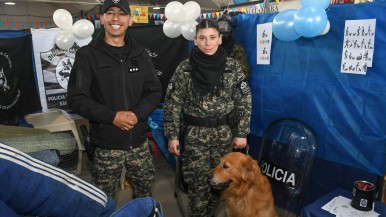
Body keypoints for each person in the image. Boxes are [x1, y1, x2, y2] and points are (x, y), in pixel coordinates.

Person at [67, 0, 162, 199]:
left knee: (144, 197)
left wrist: (137, 114)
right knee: (102, 201)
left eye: (121, 13)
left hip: (139, 144)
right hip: (106, 146)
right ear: (101, 19)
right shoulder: (87, 55)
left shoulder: (140, 54)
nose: (115, 18)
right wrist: (112, 117)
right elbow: (76, 98)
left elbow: (154, 91)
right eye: (110, 13)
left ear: (129, 19)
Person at [163, 19, 252, 217]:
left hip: (224, 135)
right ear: (195, 40)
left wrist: (241, 133)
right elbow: (173, 103)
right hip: (196, 136)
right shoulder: (184, 69)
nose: (208, 43)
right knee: (197, 186)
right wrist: (172, 135)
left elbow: (244, 100)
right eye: (202, 38)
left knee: (220, 185)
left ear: (220, 39)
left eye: (212, 38)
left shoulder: (232, 67)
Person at [217, 14, 251, 79]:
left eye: (225, 26)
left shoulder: (236, 48)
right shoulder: (213, 47)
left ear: (230, 28)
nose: (222, 28)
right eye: (220, 25)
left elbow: (245, 72)